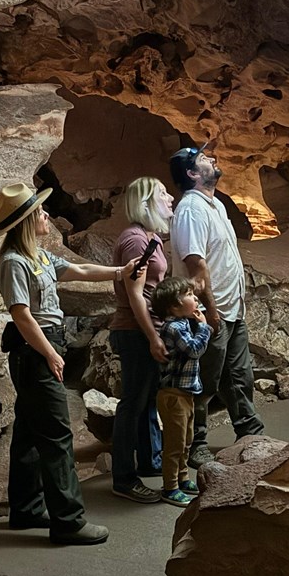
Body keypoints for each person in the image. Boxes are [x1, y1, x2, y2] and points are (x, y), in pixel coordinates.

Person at [0, 183, 138, 546]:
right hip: (35, 351)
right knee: (56, 436)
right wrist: (51, 354)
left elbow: (78, 271)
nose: (45, 216)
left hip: (42, 348)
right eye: (39, 212)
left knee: (29, 434)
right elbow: (22, 315)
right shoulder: (13, 262)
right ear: (26, 221)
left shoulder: (38, 256)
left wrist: (120, 272)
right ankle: (68, 521)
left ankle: (25, 508)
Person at [168, 145, 266, 467]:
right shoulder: (191, 210)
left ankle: (250, 432)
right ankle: (193, 444)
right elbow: (197, 265)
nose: (212, 160)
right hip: (210, 313)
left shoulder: (216, 205)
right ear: (192, 174)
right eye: (203, 160)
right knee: (203, 382)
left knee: (239, 376)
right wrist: (210, 312)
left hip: (230, 308)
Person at [109, 177, 176, 503]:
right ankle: (123, 477)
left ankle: (151, 461)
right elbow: (135, 295)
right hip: (136, 330)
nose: (170, 197)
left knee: (147, 399)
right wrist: (152, 336)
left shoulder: (151, 238)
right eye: (163, 193)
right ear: (147, 201)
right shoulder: (136, 241)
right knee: (133, 403)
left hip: (149, 327)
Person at [151, 276, 211, 506]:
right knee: (175, 444)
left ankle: (183, 477)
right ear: (174, 307)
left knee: (187, 439)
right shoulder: (174, 327)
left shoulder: (184, 322)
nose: (196, 298)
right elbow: (194, 350)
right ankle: (170, 487)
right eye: (189, 296)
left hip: (186, 394)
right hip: (173, 395)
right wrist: (204, 327)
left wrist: (198, 319)